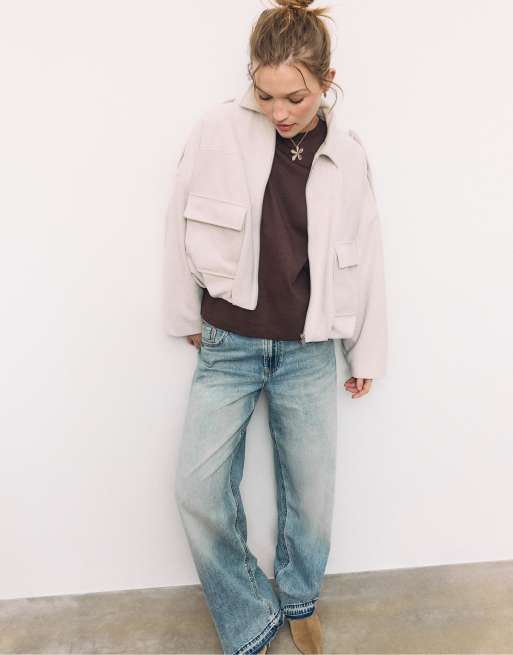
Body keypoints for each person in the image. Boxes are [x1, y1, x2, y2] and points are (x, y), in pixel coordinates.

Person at [163, 0, 388, 652]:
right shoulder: (215, 130)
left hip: (308, 347)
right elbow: (177, 220)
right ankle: (248, 615)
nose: (279, 111)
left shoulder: (346, 154)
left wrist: (365, 351)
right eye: (264, 95)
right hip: (227, 342)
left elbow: (366, 252)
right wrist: (186, 313)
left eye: (295, 96)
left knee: (312, 496)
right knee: (197, 489)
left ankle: (299, 597)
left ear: (327, 80)